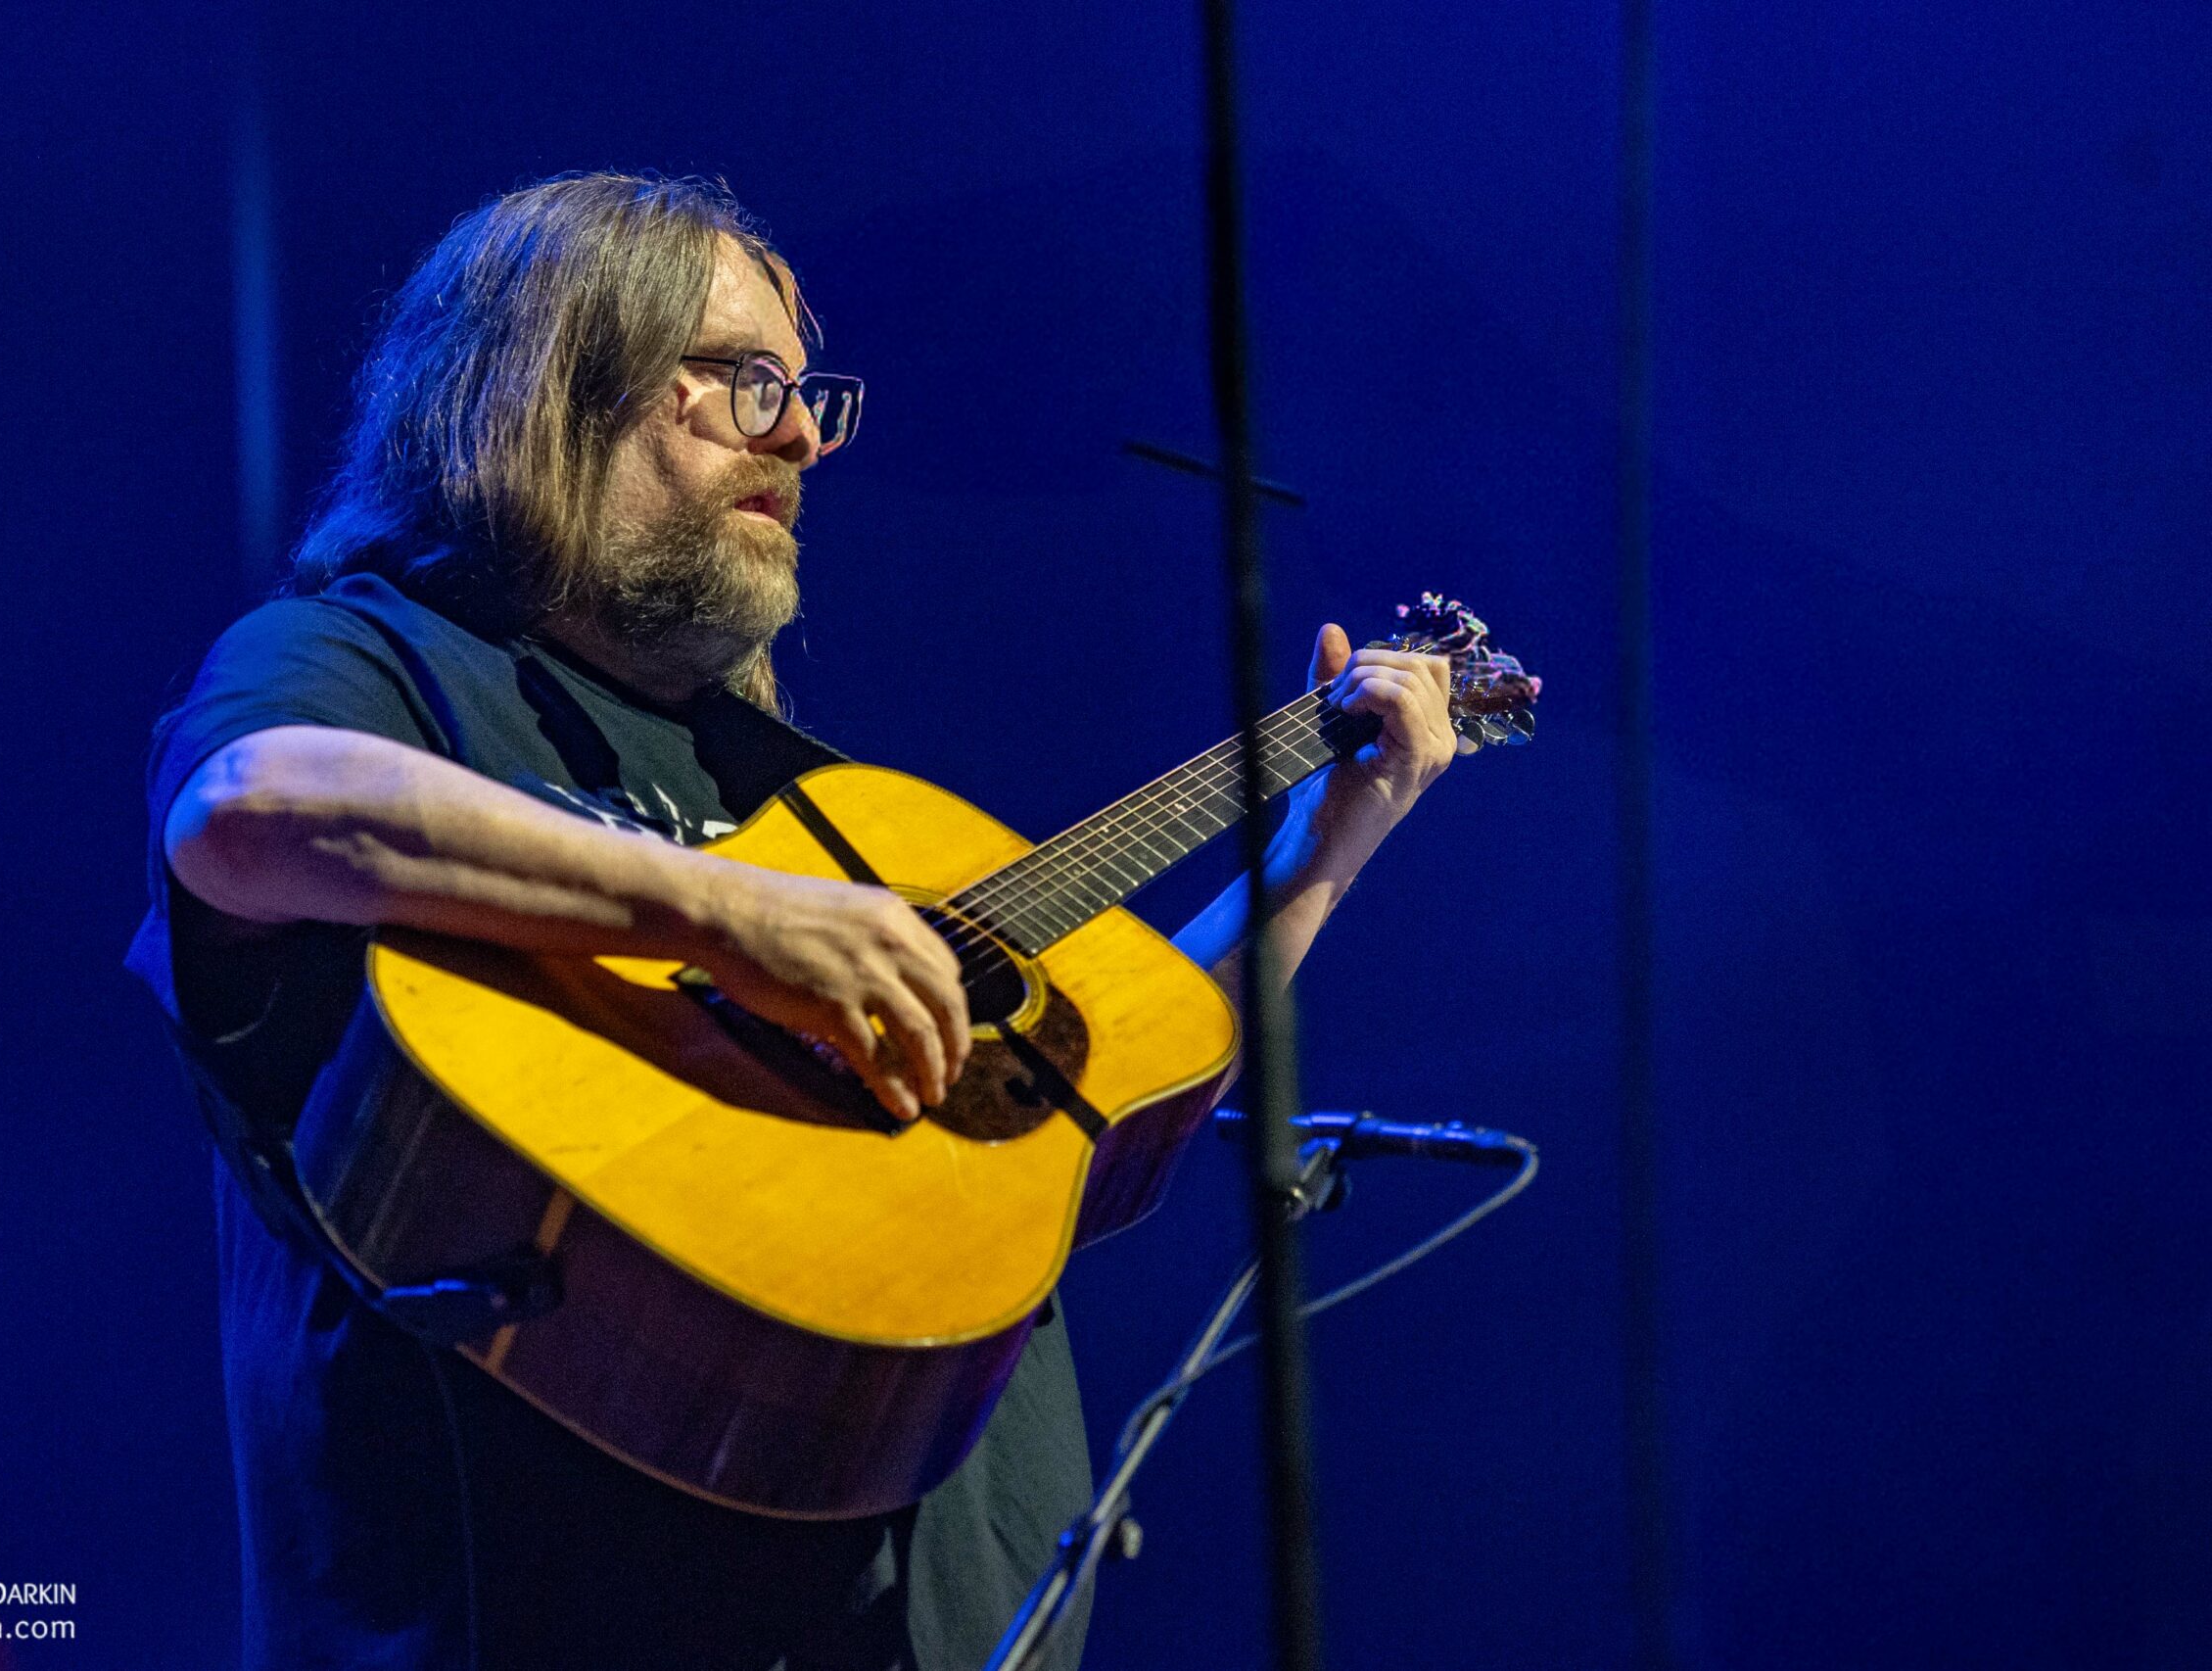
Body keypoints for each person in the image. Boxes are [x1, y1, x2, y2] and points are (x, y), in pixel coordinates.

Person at [129, 171, 1463, 1671]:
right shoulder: (373, 662)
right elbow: (250, 806)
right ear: (553, 384)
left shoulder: (806, 797)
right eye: (748, 381)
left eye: (811, 394)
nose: (806, 437)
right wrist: (726, 911)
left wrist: (1323, 847)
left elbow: (1104, 1102)